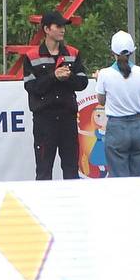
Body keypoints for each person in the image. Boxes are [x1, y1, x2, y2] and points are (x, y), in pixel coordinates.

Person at [24, 10, 88, 180]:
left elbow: (82, 83)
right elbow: (31, 87)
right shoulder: (32, 56)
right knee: (44, 170)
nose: (63, 30)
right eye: (58, 26)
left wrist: (68, 77)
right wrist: (53, 76)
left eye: (63, 27)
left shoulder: (73, 53)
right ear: (46, 29)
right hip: (44, 120)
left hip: (68, 118)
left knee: (71, 170)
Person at [96, 30, 140, 177]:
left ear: (112, 52)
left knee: (120, 182)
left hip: (117, 127)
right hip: (139, 126)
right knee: (139, 180)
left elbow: (101, 101)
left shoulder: (104, 74)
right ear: (132, 52)